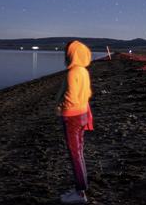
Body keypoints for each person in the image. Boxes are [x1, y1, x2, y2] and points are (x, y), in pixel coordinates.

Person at [56, 40, 94, 204]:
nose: (66, 55)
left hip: (72, 116)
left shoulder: (73, 72)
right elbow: (87, 93)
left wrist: (60, 108)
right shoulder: (83, 71)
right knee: (79, 152)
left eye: (68, 52)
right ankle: (81, 188)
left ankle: (80, 194)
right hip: (82, 114)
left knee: (75, 154)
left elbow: (70, 97)